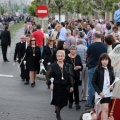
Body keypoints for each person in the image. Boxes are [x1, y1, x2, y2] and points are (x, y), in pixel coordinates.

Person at [46, 50, 74, 120]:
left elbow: (70, 76)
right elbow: (47, 76)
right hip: (57, 85)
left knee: (64, 102)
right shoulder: (53, 66)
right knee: (57, 102)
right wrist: (50, 84)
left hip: (65, 85)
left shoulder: (68, 65)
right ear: (56, 57)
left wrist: (71, 86)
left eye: (61, 56)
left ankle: (57, 110)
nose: (60, 57)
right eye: (59, 56)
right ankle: (58, 116)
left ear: (64, 57)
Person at [86, 31, 107, 108]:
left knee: (91, 84)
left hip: (92, 66)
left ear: (94, 37)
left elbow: (87, 55)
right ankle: (99, 101)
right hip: (101, 66)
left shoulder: (91, 46)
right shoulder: (105, 46)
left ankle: (90, 102)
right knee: (100, 84)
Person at [92, 53, 115, 120]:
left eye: (106, 60)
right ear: (100, 61)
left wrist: (112, 86)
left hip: (108, 92)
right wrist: (99, 92)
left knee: (105, 110)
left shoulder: (111, 68)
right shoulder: (98, 69)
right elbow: (93, 81)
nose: (104, 61)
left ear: (108, 61)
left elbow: (113, 79)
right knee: (105, 109)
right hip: (101, 92)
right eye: (103, 60)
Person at [65, 45, 83, 110]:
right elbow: (64, 66)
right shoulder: (66, 57)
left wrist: (78, 67)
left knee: (76, 89)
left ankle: (77, 103)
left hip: (76, 75)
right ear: (70, 50)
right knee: (70, 88)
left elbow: (81, 66)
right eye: (72, 49)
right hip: (69, 75)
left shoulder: (78, 57)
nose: (73, 50)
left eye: (74, 49)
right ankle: (70, 102)